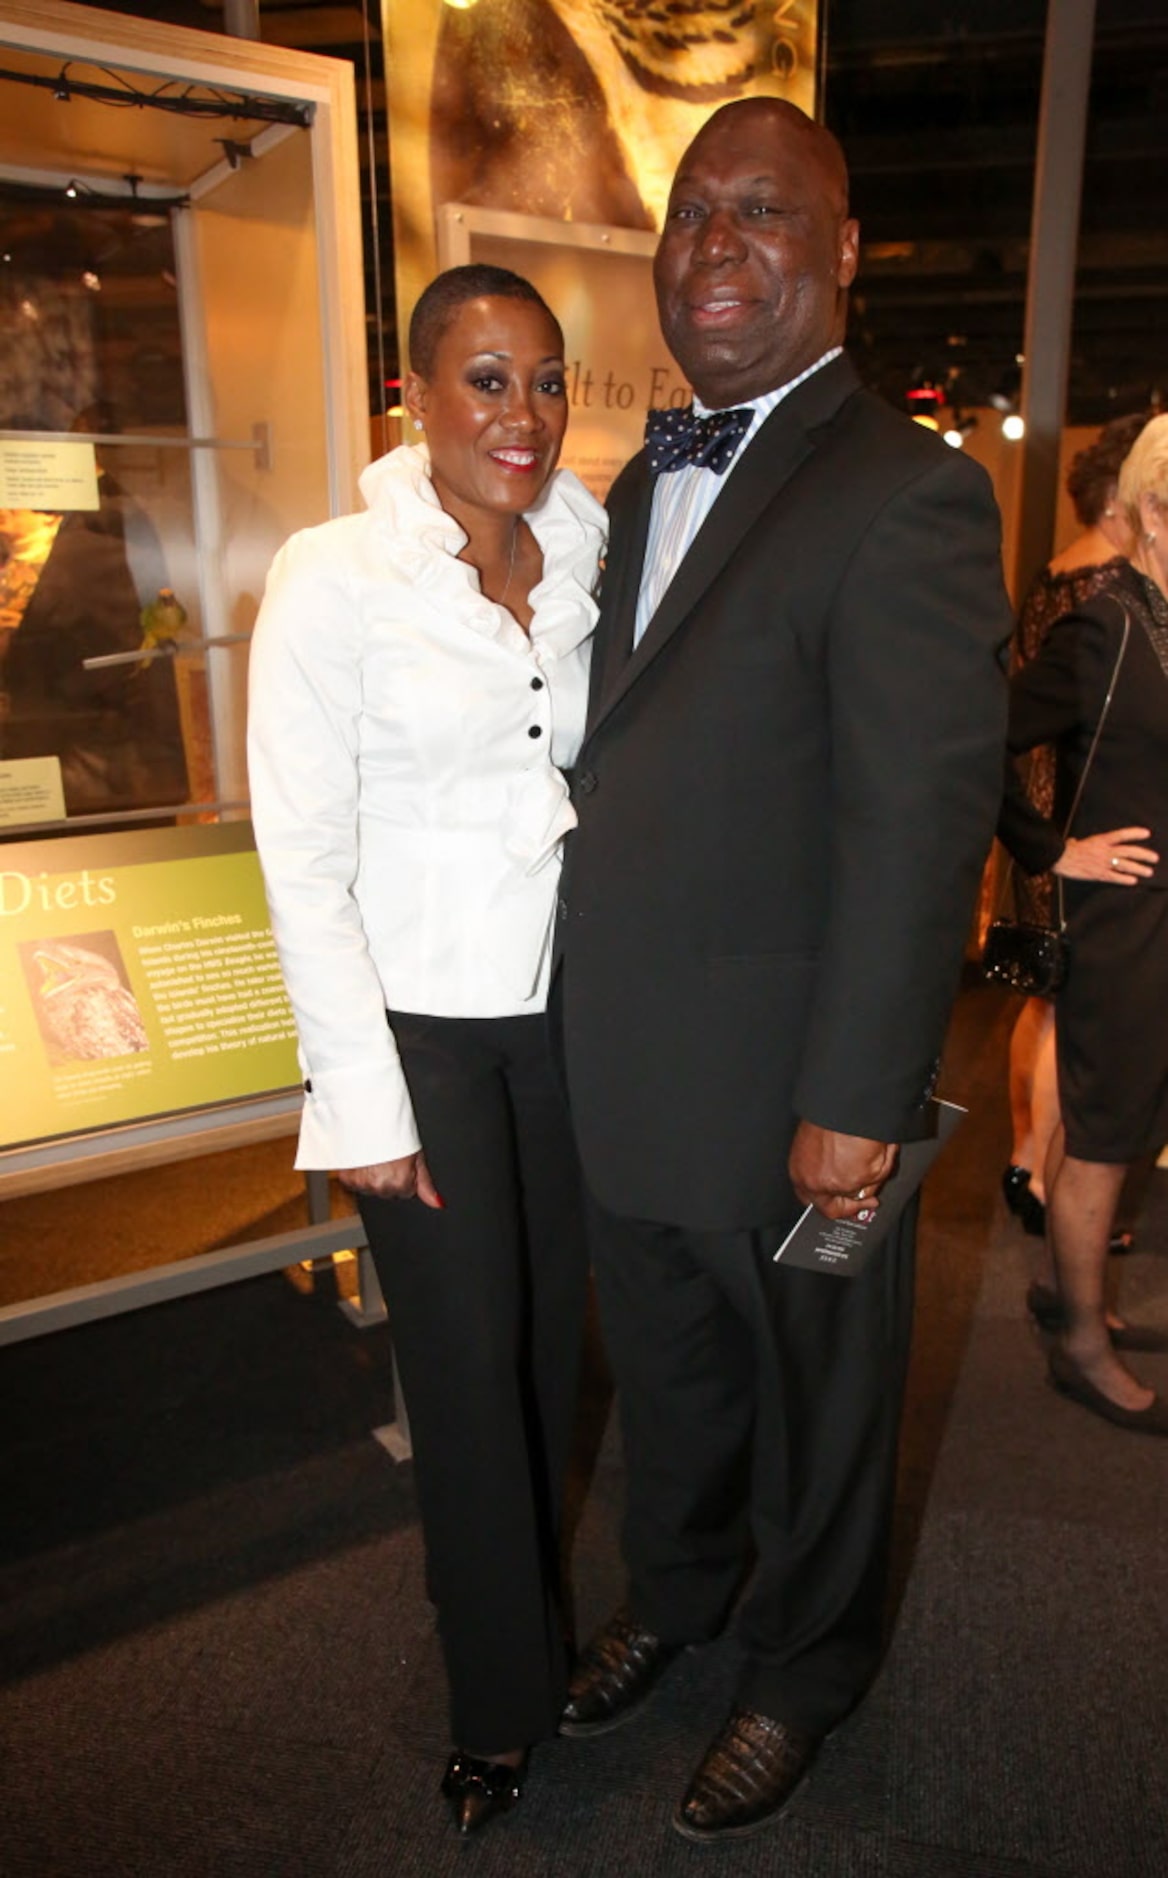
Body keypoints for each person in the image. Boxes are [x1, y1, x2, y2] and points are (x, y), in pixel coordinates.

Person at [554, 98, 1011, 1843]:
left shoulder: (904, 490)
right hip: (629, 1061)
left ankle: (802, 1668)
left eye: (763, 212)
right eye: (689, 215)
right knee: (665, 1376)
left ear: (840, 256)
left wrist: (856, 1098)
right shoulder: (630, 479)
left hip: (791, 1086)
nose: (714, 245)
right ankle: (673, 1601)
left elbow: (916, 825)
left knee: (823, 1413)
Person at [247, 265, 606, 1834]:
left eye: (544, 380)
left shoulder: (582, 538)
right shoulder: (333, 577)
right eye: (483, 380)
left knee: (546, 1356)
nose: (521, 416)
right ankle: (496, 1701)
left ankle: (535, 1621)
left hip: (567, 1026)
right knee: (461, 1377)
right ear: (413, 394)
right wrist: (363, 1096)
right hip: (423, 1043)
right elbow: (301, 860)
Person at [998, 412, 1168, 1433]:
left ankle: (1076, 1299)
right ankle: (1080, 1348)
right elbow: (979, 738)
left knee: (1118, 1128)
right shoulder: (1105, 626)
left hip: (1157, 923)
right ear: (1153, 510)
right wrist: (1052, 848)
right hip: (1120, 925)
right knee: (1102, 1138)